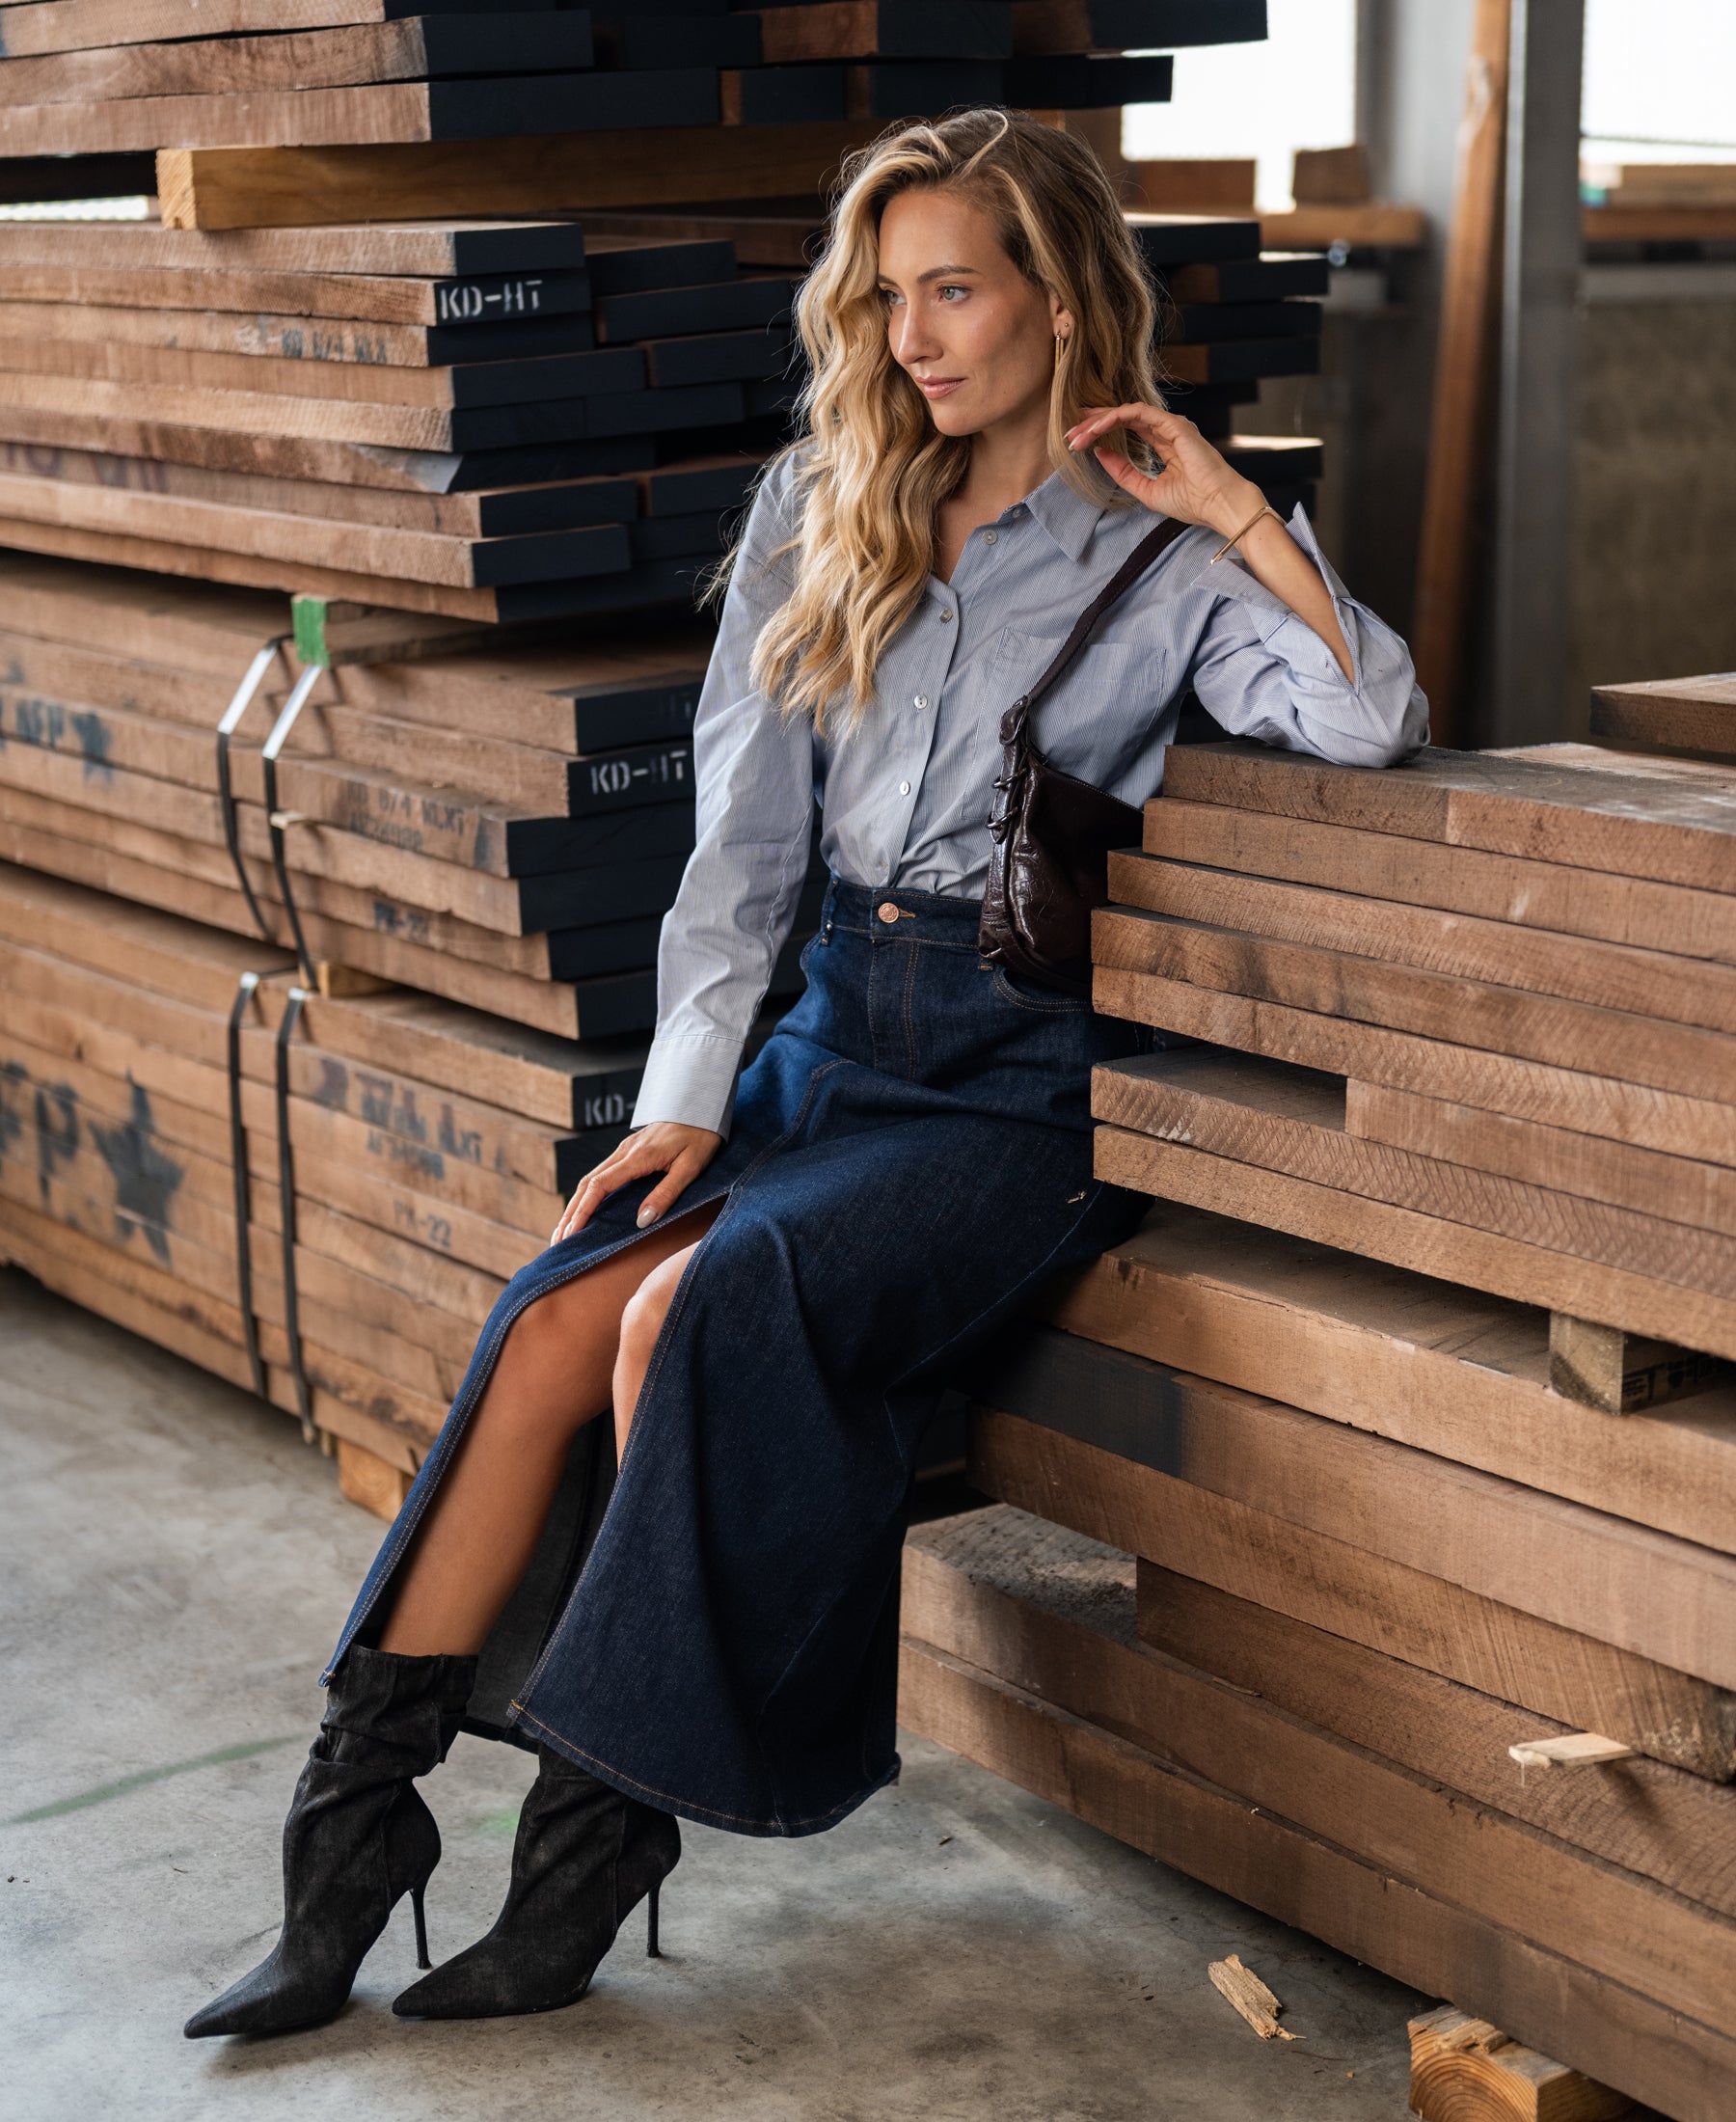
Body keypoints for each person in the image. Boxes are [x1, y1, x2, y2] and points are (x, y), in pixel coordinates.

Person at [184, 107, 1426, 2039]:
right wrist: (686, 1089)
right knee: (543, 1319)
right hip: (824, 1045)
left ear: (1058, 295)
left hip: (1017, 1094)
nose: (913, 335)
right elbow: (741, 851)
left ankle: (587, 1849)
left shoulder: (1168, 559)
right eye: (887, 295)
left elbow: (1370, 717)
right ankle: (354, 1841)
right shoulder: (816, 503)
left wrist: (1239, 510)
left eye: (954, 288)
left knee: (701, 1298)